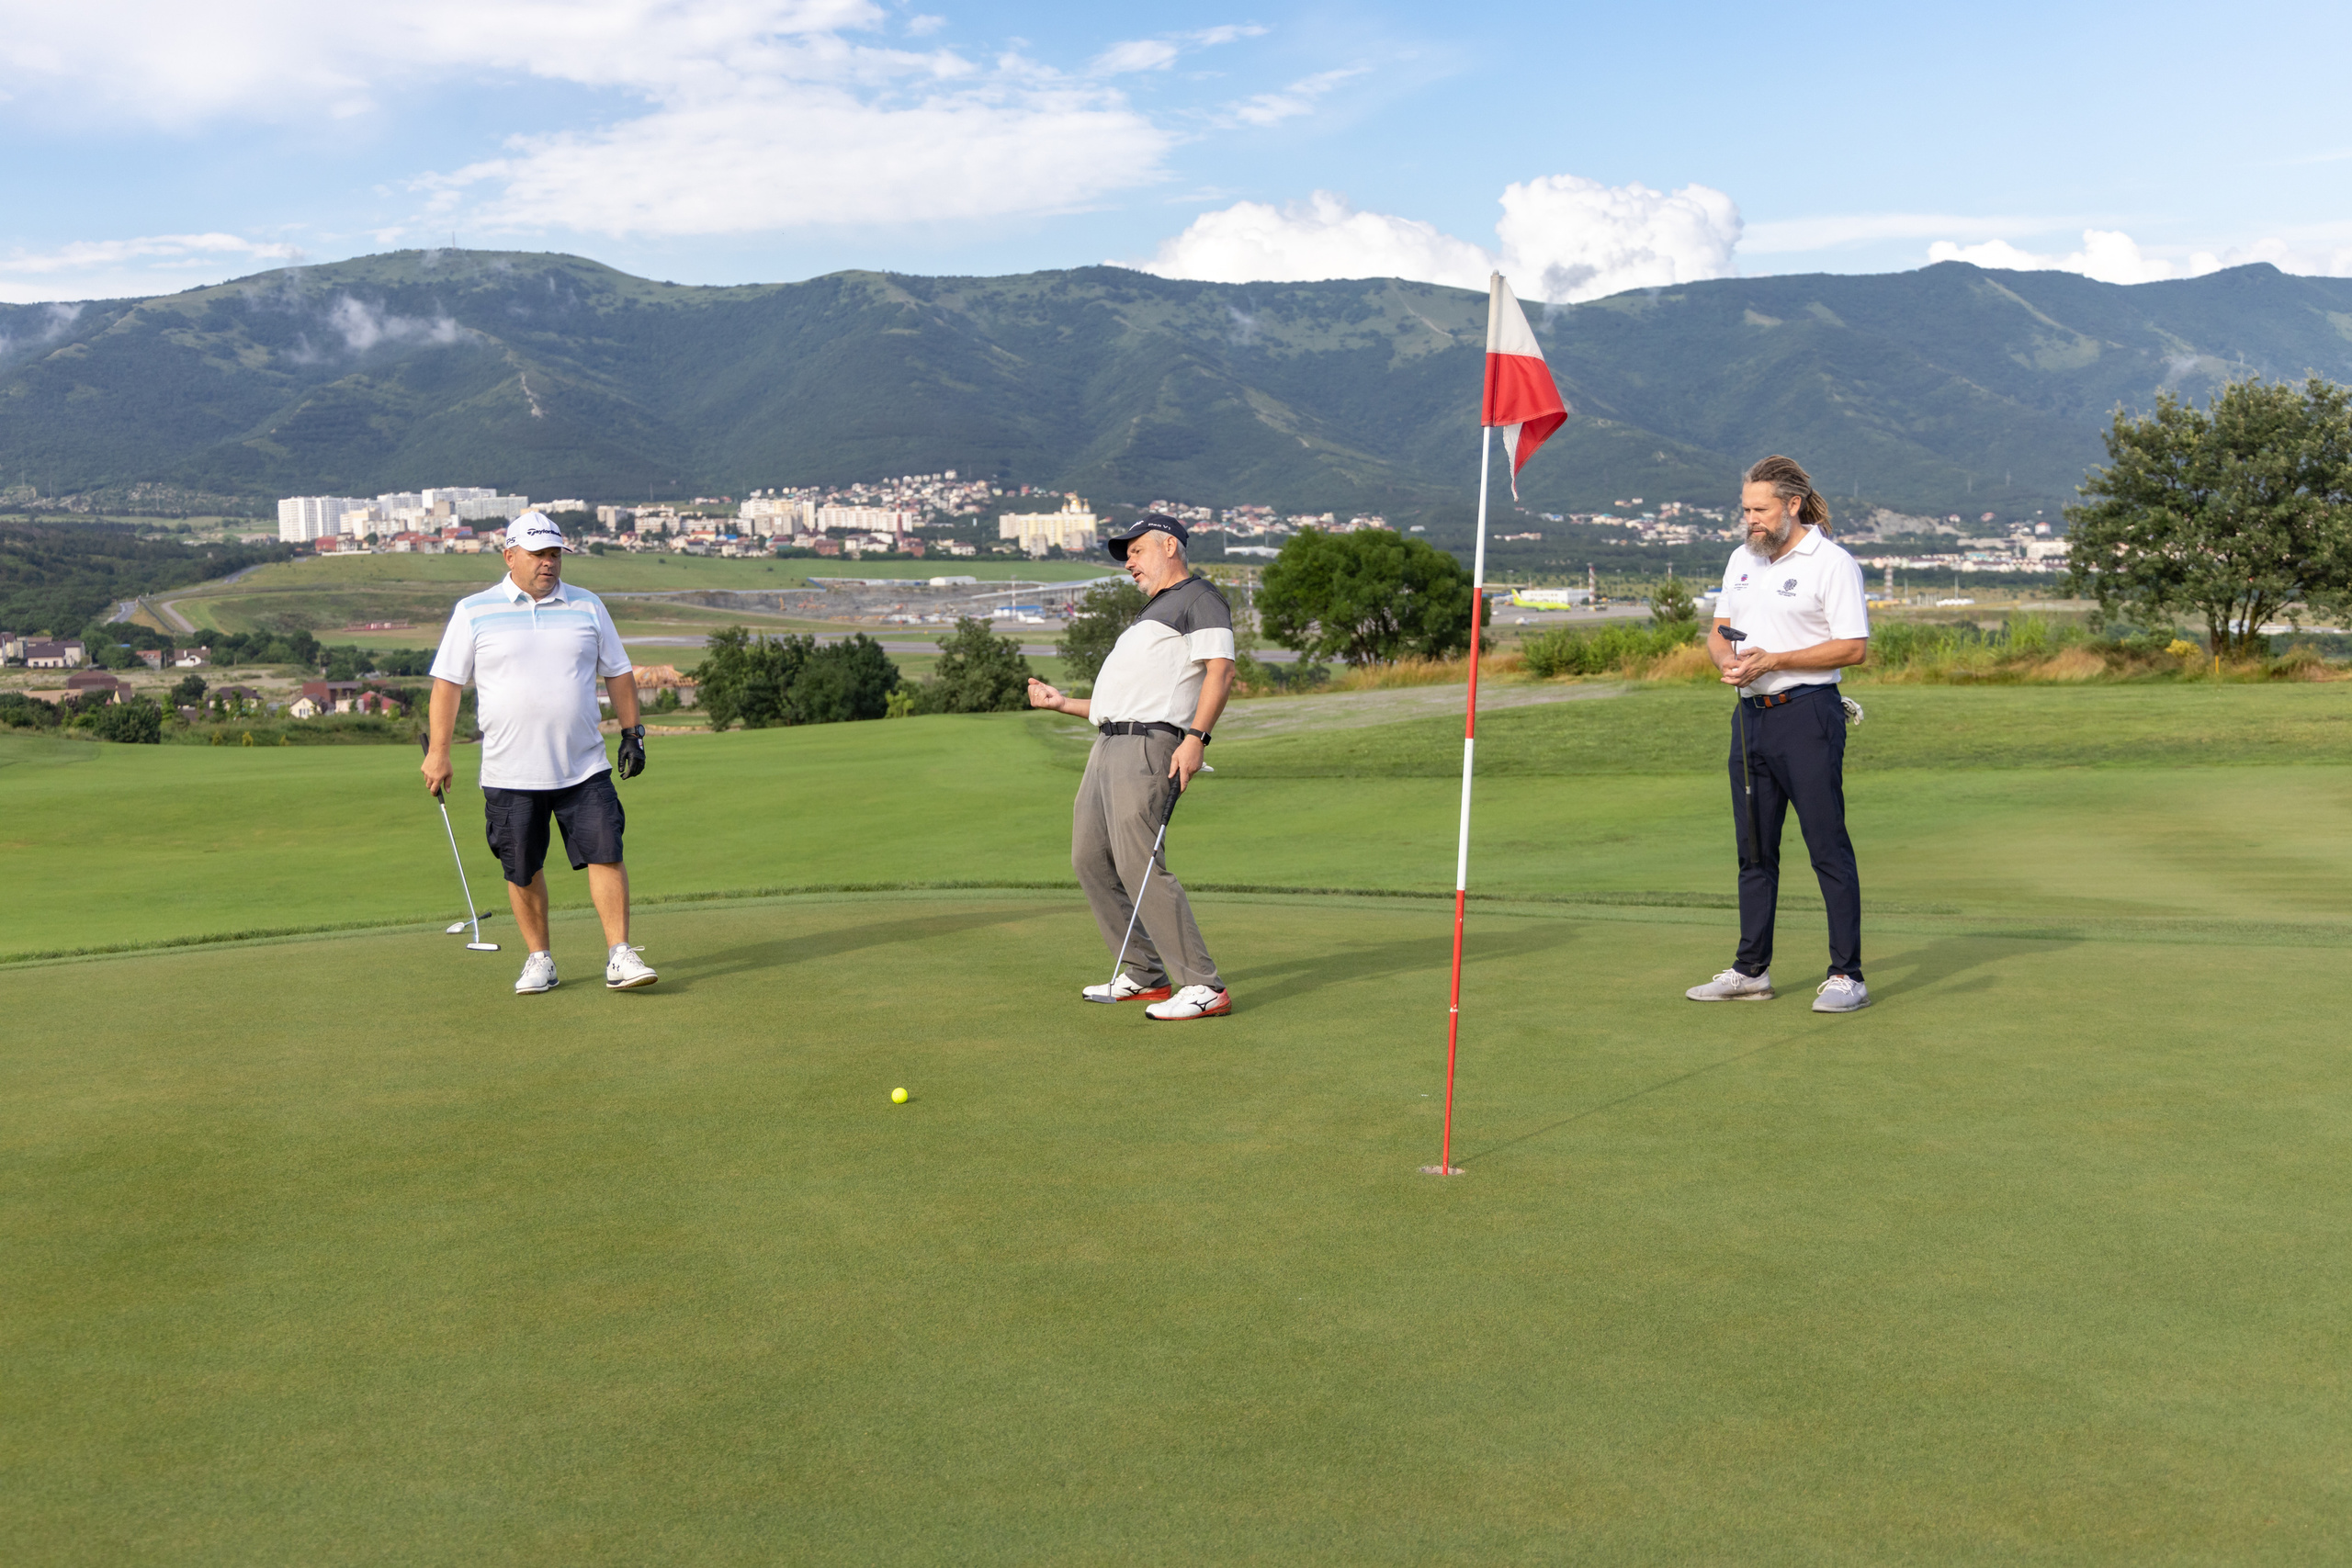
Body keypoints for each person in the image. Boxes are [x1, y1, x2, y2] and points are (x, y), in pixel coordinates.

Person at [421, 512, 657, 995]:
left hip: (584, 766)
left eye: (555, 555)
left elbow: (618, 673)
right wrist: (439, 753)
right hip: (509, 771)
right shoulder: (474, 610)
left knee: (606, 853)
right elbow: (447, 685)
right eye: (539, 555)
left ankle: (620, 955)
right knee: (521, 868)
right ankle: (539, 959)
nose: (549, 564)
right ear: (510, 556)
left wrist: (633, 732)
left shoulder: (589, 607)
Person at [1026, 514, 1236, 1021]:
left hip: (1149, 747)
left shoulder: (1198, 598)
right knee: (1089, 858)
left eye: (1137, 551)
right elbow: (1122, 701)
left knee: (1140, 862)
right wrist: (1062, 703)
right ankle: (1143, 971)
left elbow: (1221, 670)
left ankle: (1203, 985)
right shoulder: (1152, 612)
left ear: (1170, 546)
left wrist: (1196, 738)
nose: (1128, 563)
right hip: (1109, 742)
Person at [1686, 455, 1873, 1013]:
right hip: (1750, 718)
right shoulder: (1742, 558)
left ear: (1792, 505)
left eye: (1760, 509)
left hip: (1808, 714)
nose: (1751, 520)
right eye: (1745, 510)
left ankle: (1847, 975)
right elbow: (1721, 632)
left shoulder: (1832, 563)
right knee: (1753, 850)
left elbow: (1853, 647)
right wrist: (1729, 661)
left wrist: (1775, 661)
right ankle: (1751, 971)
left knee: (1826, 847)